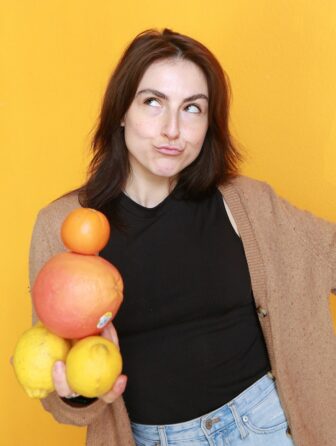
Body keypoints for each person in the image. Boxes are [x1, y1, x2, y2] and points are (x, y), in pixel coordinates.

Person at [29, 29, 336, 446]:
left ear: (209, 122)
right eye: (153, 102)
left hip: (263, 425)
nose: (172, 129)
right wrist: (78, 392)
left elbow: (329, 253)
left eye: (192, 108)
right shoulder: (63, 227)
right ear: (121, 110)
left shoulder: (247, 203)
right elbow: (57, 382)